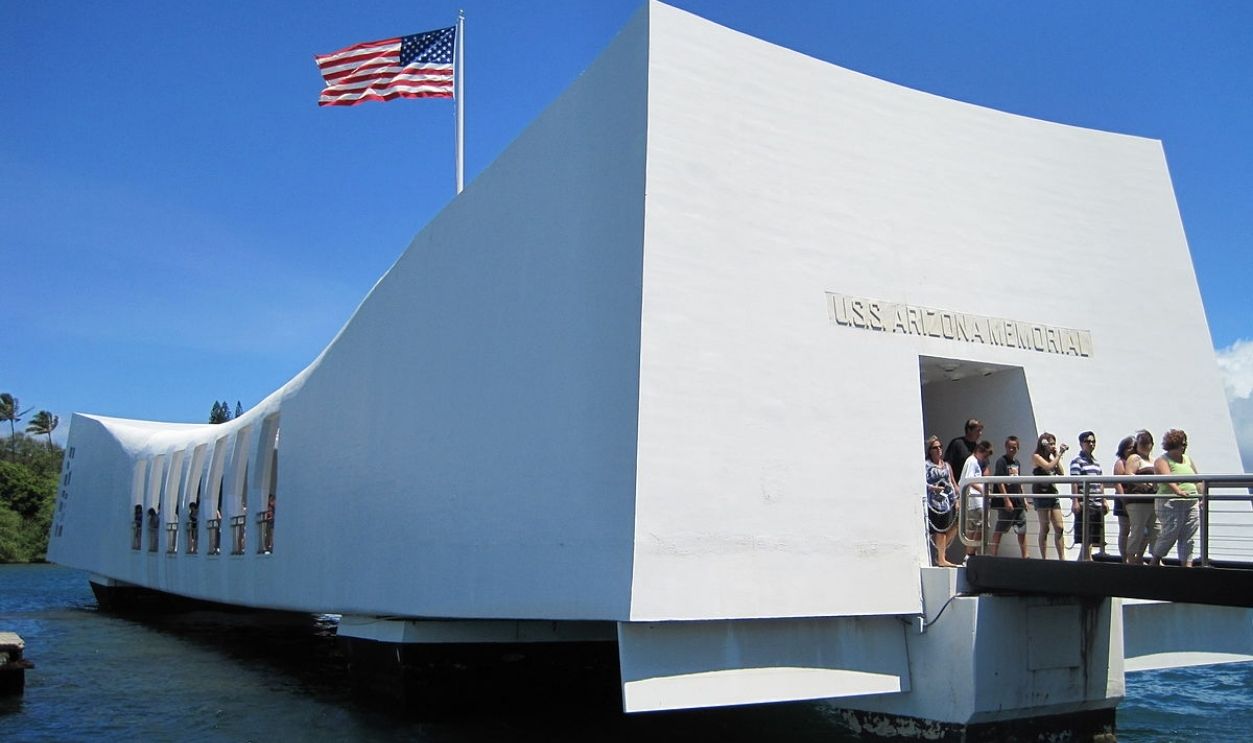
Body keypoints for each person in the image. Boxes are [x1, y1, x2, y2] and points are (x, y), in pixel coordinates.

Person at [1150, 429, 1203, 567]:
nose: (1184, 447)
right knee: (1170, 532)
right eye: (1182, 444)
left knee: (1189, 535)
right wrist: (1178, 490)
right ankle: (1155, 560)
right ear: (1174, 444)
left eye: (1185, 444)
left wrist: (1202, 496)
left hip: (1191, 502)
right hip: (1171, 502)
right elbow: (1167, 478)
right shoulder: (1162, 460)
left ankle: (1187, 565)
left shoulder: (1187, 459)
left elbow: (1198, 479)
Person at [1070, 431, 1107, 561]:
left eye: (1093, 441)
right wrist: (1075, 501)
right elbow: (1074, 482)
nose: (1091, 444)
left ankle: (1083, 559)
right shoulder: (1077, 461)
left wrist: (1104, 500)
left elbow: (1100, 482)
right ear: (1081, 443)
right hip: (1084, 503)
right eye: (1087, 441)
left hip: (1096, 503)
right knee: (1086, 534)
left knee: (1092, 536)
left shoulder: (1096, 463)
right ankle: (1087, 559)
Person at [1123, 430, 1159, 564]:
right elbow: (1129, 475)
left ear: (1152, 444)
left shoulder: (1155, 461)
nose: (1144, 446)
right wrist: (1144, 483)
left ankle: (1155, 558)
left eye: (1147, 443)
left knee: (1156, 530)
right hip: (1138, 500)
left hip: (1153, 501)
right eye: (1141, 443)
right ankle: (1131, 558)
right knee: (1137, 530)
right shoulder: (1134, 458)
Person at [990, 436, 1029, 558]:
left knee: (1022, 528)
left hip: (1017, 501)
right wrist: (1006, 500)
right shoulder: (1001, 461)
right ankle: (993, 554)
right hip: (1006, 502)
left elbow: (1019, 481)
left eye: (1014, 447)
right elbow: (999, 481)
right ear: (1006, 447)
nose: (1012, 450)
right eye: (1009, 447)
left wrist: (1024, 499)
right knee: (1001, 527)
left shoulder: (1017, 463)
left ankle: (1025, 555)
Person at [924, 435, 960, 567]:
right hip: (932, 501)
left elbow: (951, 483)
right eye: (935, 447)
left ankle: (941, 556)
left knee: (947, 529)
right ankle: (940, 557)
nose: (938, 450)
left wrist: (956, 499)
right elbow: (923, 482)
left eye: (940, 447)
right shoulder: (926, 465)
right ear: (930, 450)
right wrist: (934, 488)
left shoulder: (946, 465)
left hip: (945, 501)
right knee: (936, 530)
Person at [1031, 432, 1069, 559]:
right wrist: (1059, 455)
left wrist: (1055, 456)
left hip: (1053, 494)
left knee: (1059, 527)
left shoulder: (1053, 458)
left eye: (1054, 443)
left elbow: (1061, 472)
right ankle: (1044, 558)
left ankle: (1062, 557)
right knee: (1045, 527)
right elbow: (1047, 467)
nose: (1053, 446)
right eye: (1050, 443)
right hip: (1041, 495)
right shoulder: (1036, 457)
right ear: (1044, 444)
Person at [959, 440, 995, 559]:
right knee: (978, 526)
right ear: (980, 451)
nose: (985, 459)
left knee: (976, 527)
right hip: (975, 501)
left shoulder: (976, 462)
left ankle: (971, 553)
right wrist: (981, 489)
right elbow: (968, 479)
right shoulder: (972, 462)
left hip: (978, 500)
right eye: (985, 455)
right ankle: (970, 553)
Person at [1112, 436, 1136, 561]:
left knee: (1137, 530)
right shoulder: (1120, 462)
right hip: (1123, 500)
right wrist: (1124, 500)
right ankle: (1124, 557)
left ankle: (1135, 556)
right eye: (1129, 447)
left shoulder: (1136, 462)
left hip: (1135, 500)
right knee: (1125, 530)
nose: (1132, 450)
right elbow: (1118, 483)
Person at [944, 419, 983, 484]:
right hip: (960, 486)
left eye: (981, 431)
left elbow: (985, 468)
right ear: (969, 430)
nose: (980, 433)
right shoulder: (957, 444)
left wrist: (987, 487)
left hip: (976, 489)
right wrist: (954, 484)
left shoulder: (979, 447)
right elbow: (948, 465)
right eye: (978, 431)